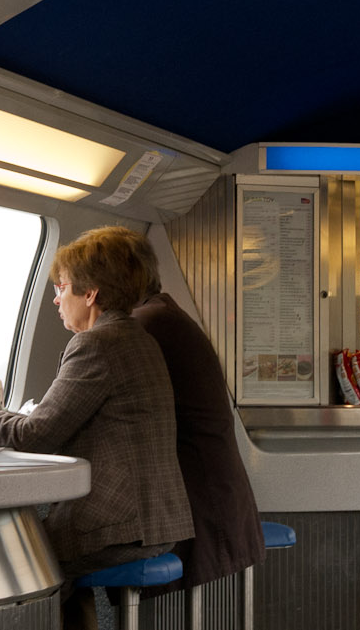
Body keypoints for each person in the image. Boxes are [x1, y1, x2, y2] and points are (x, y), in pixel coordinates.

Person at [0, 228, 193, 611]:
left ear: (90, 294)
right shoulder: (138, 337)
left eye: (62, 288)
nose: (56, 299)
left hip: (123, 527)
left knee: (25, 560)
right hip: (159, 519)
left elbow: (35, 436)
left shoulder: (96, 344)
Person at [91, 227, 263, 598]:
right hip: (212, 499)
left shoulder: (138, 329)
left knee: (63, 557)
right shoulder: (163, 315)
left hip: (195, 509)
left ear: (101, 286)